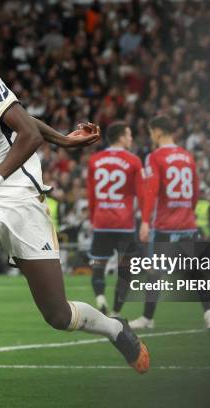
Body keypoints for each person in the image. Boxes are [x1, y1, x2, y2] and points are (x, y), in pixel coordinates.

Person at [0, 26, 148, 375]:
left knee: (58, 315)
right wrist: (63, 139)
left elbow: (27, 131)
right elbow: (17, 119)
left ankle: (116, 329)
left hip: (20, 198)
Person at [130, 116, 210, 330]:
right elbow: (195, 192)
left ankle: (148, 318)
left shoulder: (155, 157)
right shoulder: (187, 156)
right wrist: (188, 212)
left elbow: (152, 191)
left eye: (151, 132)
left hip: (166, 225)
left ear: (158, 132)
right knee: (195, 271)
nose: (151, 137)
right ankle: (209, 312)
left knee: (154, 272)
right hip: (188, 224)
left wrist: (145, 221)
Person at [86, 121, 143, 316]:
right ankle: (116, 312)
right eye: (128, 135)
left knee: (98, 266)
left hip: (101, 222)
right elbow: (140, 192)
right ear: (120, 137)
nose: (131, 138)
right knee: (126, 271)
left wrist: (93, 218)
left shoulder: (95, 160)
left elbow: (91, 193)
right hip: (124, 224)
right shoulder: (134, 161)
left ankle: (101, 299)